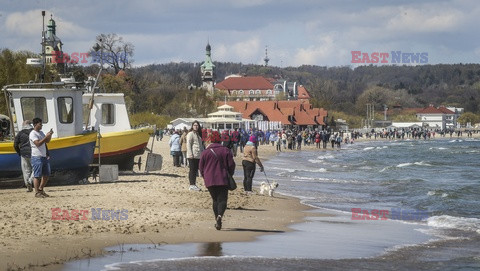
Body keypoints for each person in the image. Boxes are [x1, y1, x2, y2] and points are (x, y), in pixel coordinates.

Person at [199, 131, 235, 230]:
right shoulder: (226, 150)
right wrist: (230, 174)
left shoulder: (205, 152)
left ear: (209, 139)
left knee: (215, 200)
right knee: (222, 199)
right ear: (219, 139)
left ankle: (217, 219)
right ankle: (219, 217)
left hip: (209, 179)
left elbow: (201, 167)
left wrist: (204, 176)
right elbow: (231, 165)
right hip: (222, 178)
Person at [29, 118, 53, 198]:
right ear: (35, 124)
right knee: (37, 175)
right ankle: (37, 192)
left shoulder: (41, 132)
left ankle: (41, 189)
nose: (41, 125)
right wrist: (46, 137)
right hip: (37, 157)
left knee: (46, 174)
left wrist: (49, 135)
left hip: (43, 156)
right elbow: (38, 144)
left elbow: (47, 142)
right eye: (40, 124)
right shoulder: (33, 134)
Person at [14, 120, 34, 192]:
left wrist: (19, 152)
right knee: (36, 168)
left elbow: (15, 145)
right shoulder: (34, 131)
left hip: (23, 153)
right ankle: (30, 180)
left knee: (26, 170)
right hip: (33, 153)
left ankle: (28, 186)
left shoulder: (20, 133)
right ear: (30, 124)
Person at [186, 120, 205, 191]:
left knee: (196, 170)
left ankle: (194, 184)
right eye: (194, 125)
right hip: (192, 155)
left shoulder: (198, 134)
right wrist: (190, 154)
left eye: (197, 125)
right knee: (192, 170)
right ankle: (192, 185)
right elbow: (188, 144)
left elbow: (201, 145)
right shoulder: (190, 134)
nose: (196, 127)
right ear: (192, 126)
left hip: (198, 155)